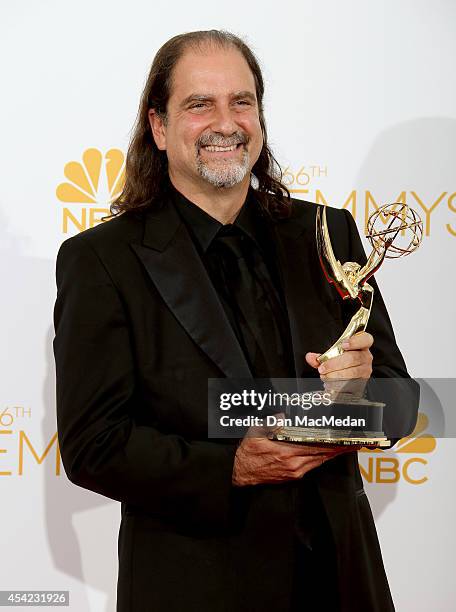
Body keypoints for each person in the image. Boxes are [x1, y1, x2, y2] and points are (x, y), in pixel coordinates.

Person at [53, 30, 417, 612]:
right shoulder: (101, 260)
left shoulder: (329, 234)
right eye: (200, 104)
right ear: (159, 127)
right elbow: (93, 446)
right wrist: (232, 467)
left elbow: (399, 406)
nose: (227, 122)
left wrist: (356, 392)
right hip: (194, 585)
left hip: (340, 581)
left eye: (241, 102)